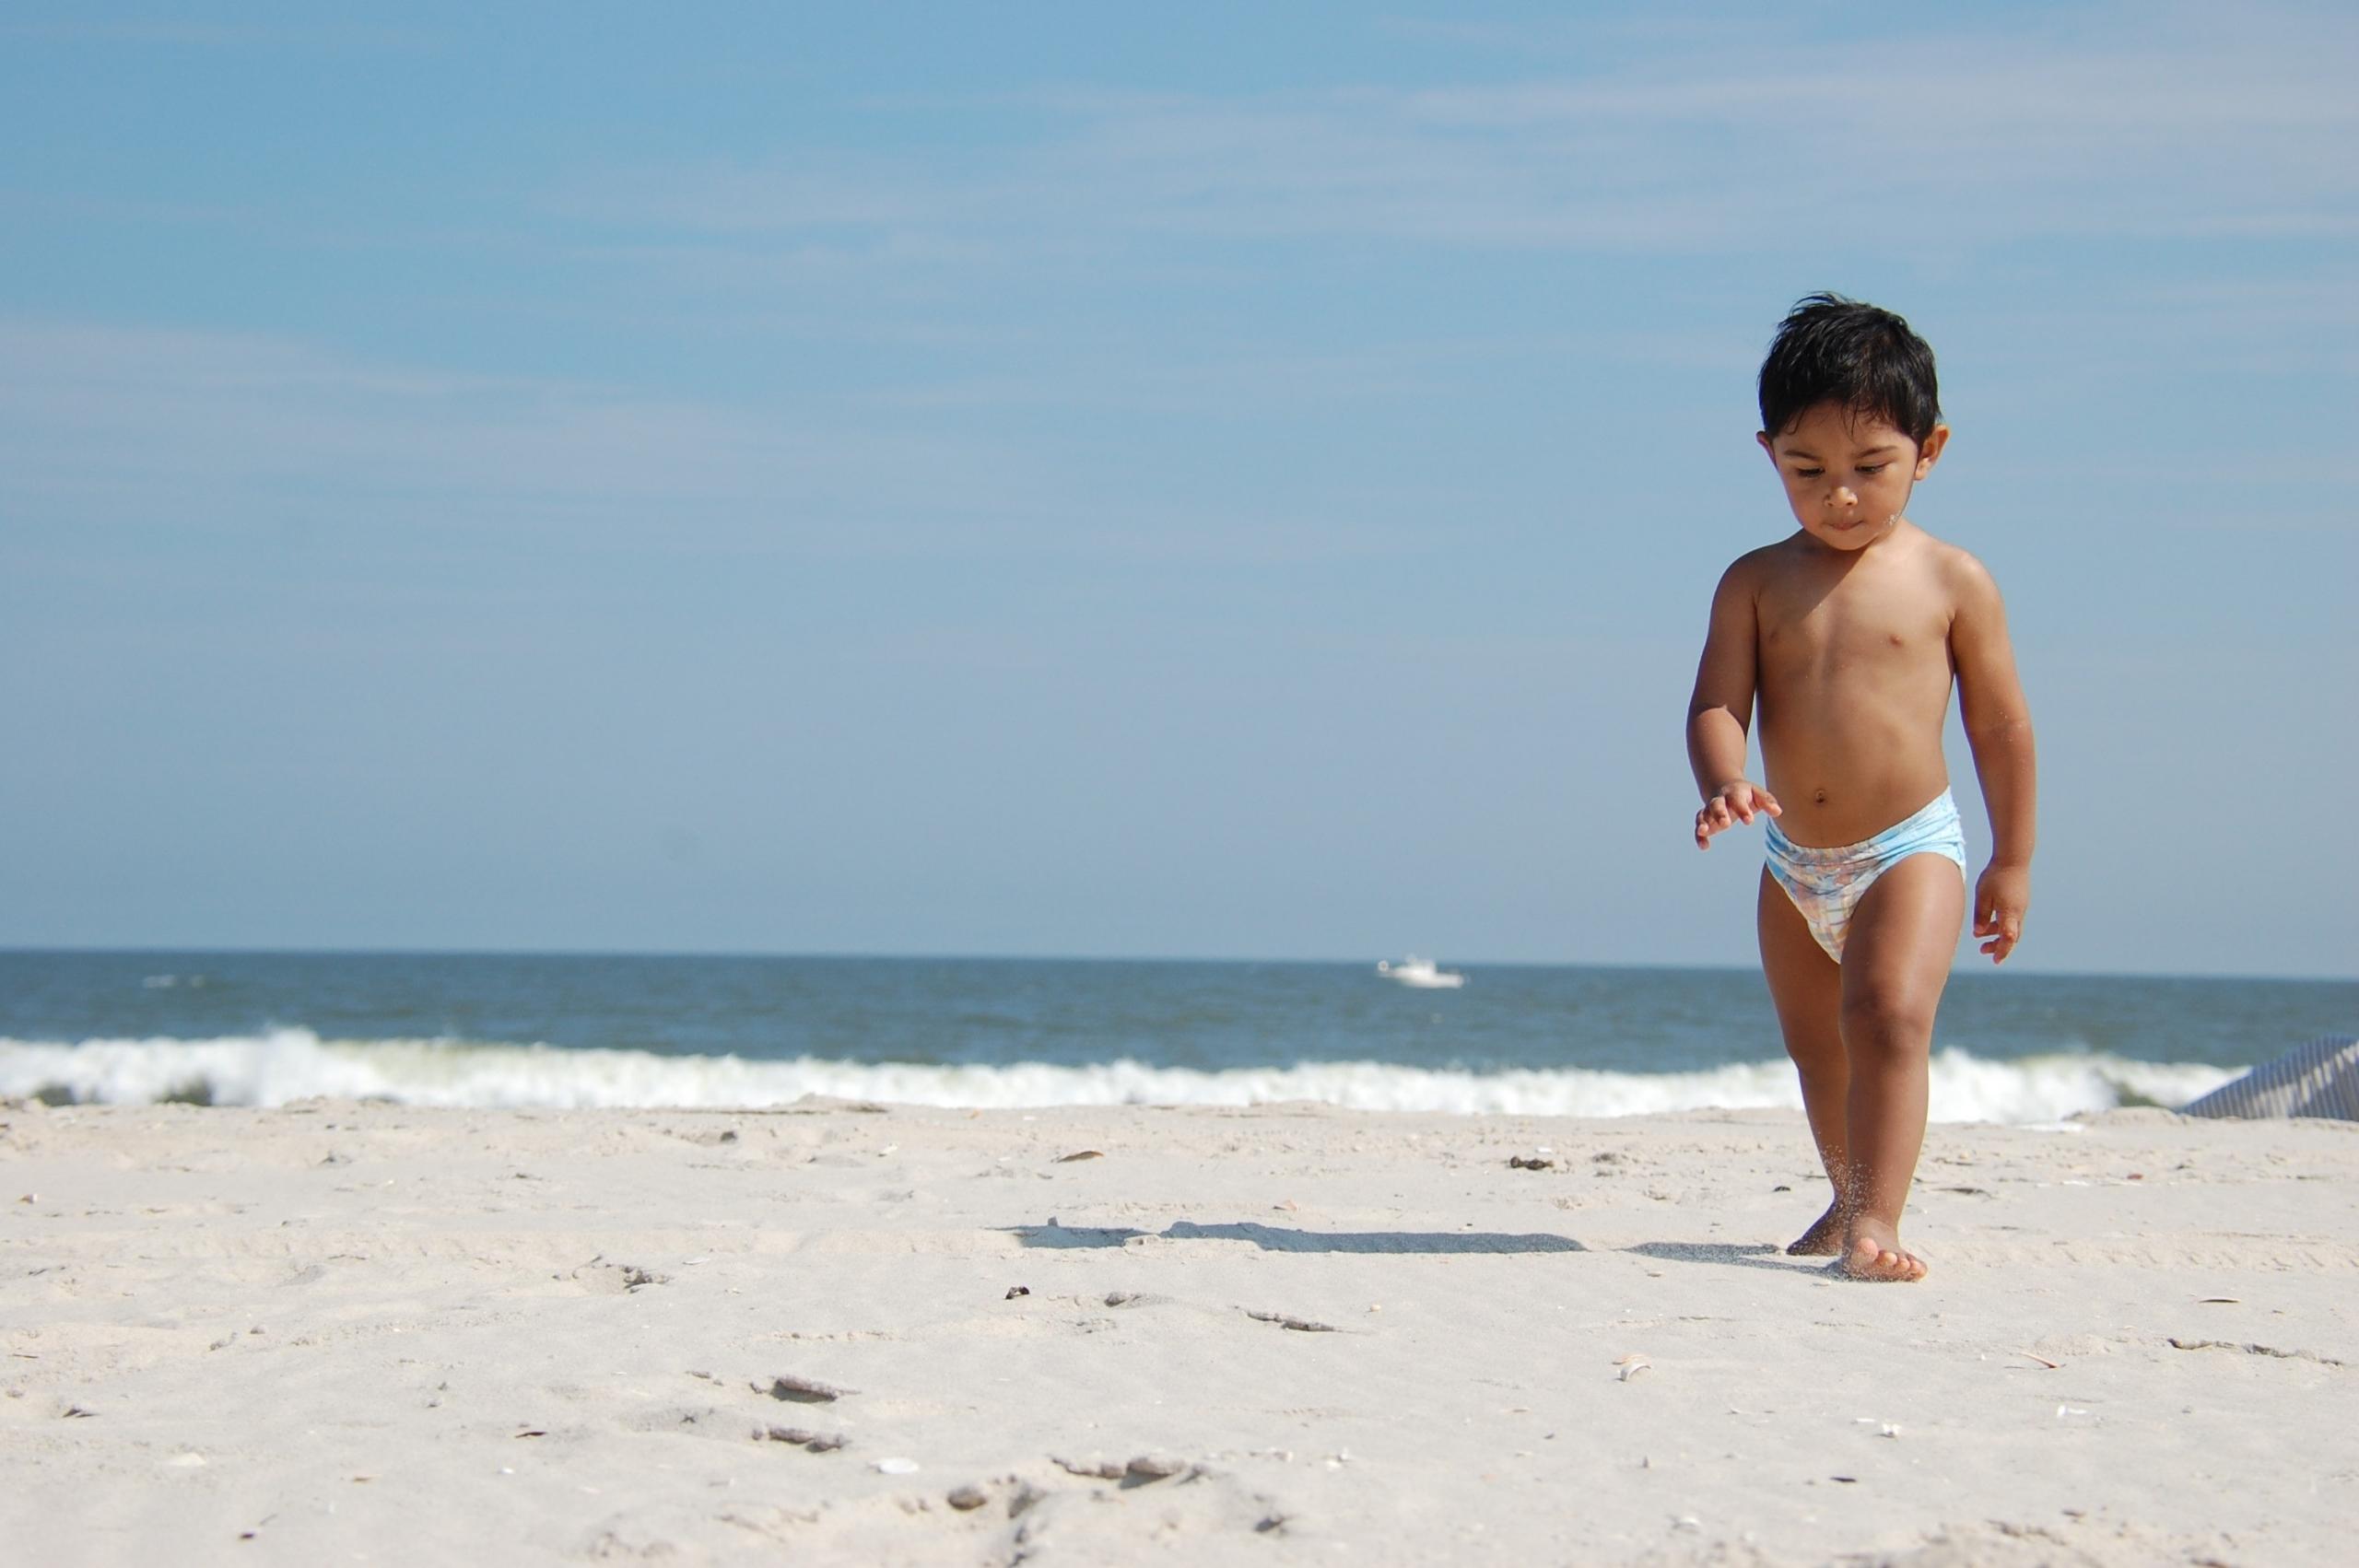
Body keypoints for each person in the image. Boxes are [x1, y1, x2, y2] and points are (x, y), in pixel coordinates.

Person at [1686, 294, 2036, 1281]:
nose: (1839, 495)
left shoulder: (1950, 579)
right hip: (1792, 859)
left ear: (1928, 450)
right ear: (1769, 455)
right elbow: (1715, 703)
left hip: (1906, 848)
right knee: (1817, 1049)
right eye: (1808, 471)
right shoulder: (1754, 582)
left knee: (1885, 1016)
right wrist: (1725, 779)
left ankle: (1879, 1218)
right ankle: (1845, 1194)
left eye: (1868, 469)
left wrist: (2011, 857)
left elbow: (2000, 725)